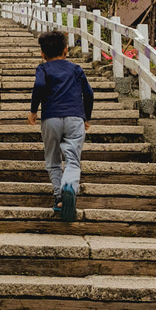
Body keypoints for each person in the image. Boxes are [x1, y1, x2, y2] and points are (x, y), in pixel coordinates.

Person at [27, 29, 94, 222]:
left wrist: (33, 111)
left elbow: (39, 86)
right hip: (75, 118)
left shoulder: (43, 69)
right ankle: (69, 187)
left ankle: (59, 198)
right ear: (66, 50)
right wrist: (86, 117)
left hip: (51, 119)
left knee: (53, 160)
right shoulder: (75, 69)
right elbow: (88, 93)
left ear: (42, 53)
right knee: (73, 159)